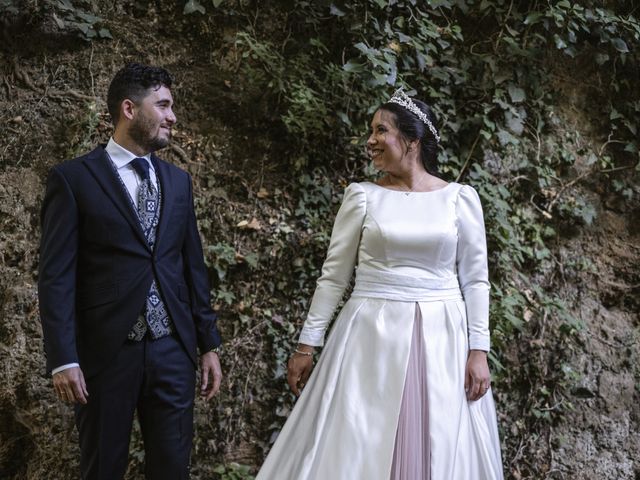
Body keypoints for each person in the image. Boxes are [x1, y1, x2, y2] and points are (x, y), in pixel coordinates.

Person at [257, 88, 503, 479]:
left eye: (380, 130)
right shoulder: (362, 197)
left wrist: (479, 350)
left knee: (440, 441)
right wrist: (307, 344)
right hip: (369, 335)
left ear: (412, 140)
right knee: (359, 439)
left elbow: (475, 280)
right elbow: (334, 276)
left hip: (443, 338)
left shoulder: (460, 199)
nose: (370, 140)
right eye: (370, 131)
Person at [38, 63, 223, 480]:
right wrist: (63, 357)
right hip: (106, 352)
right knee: (103, 467)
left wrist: (208, 343)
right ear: (128, 108)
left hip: (173, 350)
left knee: (173, 469)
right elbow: (56, 277)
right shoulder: (73, 179)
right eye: (163, 105)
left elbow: (193, 267)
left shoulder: (178, 182)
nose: (172, 116)